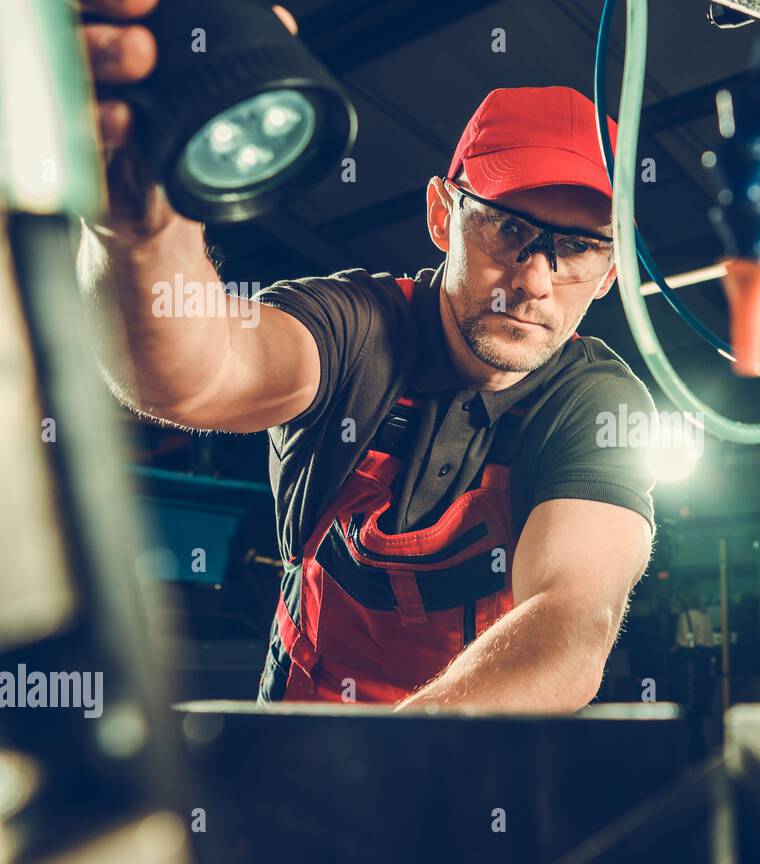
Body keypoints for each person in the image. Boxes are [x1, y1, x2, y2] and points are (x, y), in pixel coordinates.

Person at [76, 1, 657, 712]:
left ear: (611, 272)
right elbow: (193, 375)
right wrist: (139, 228)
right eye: (508, 227)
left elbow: (571, 622)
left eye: (578, 246)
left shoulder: (595, 404)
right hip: (294, 731)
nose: (534, 280)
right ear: (445, 216)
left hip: (461, 759)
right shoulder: (357, 327)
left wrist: (388, 759)